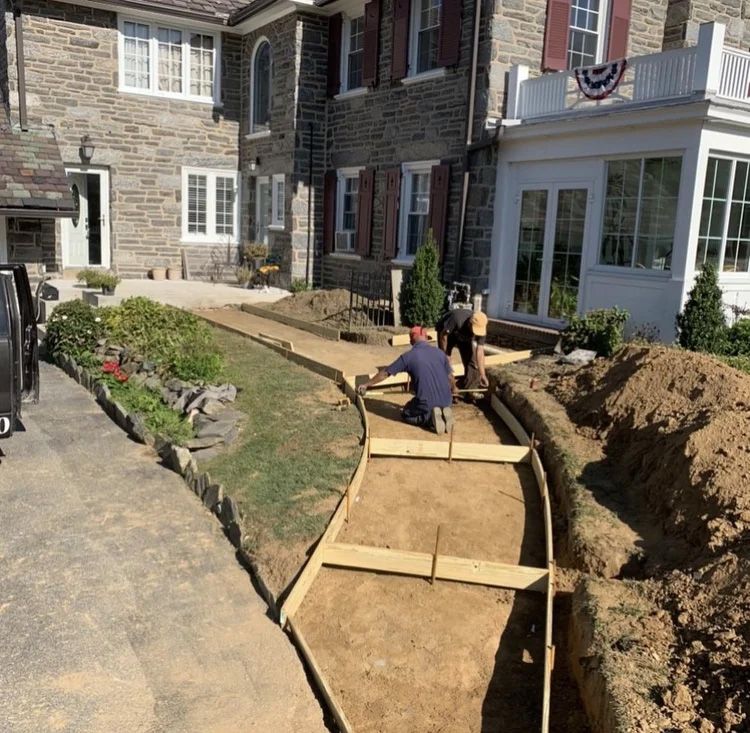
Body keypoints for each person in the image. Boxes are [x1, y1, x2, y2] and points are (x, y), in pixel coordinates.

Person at [357, 325, 455, 434]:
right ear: (426, 337)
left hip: (426, 403)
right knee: (421, 403)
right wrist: (454, 388)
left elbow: (385, 373)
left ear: (412, 340)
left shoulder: (408, 356)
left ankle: (428, 419)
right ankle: (443, 412)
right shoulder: (440, 353)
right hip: (447, 400)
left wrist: (367, 384)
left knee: (406, 413)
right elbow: (450, 377)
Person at [436, 308, 489, 391]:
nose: (476, 334)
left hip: (463, 336)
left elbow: (480, 352)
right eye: (475, 330)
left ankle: (470, 389)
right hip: (447, 334)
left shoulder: (482, 326)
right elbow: (443, 336)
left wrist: (483, 374)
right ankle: (449, 388)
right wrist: (445, 353)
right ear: (470, 323)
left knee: (471, 361)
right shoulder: (457, 318)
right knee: (445, 361)